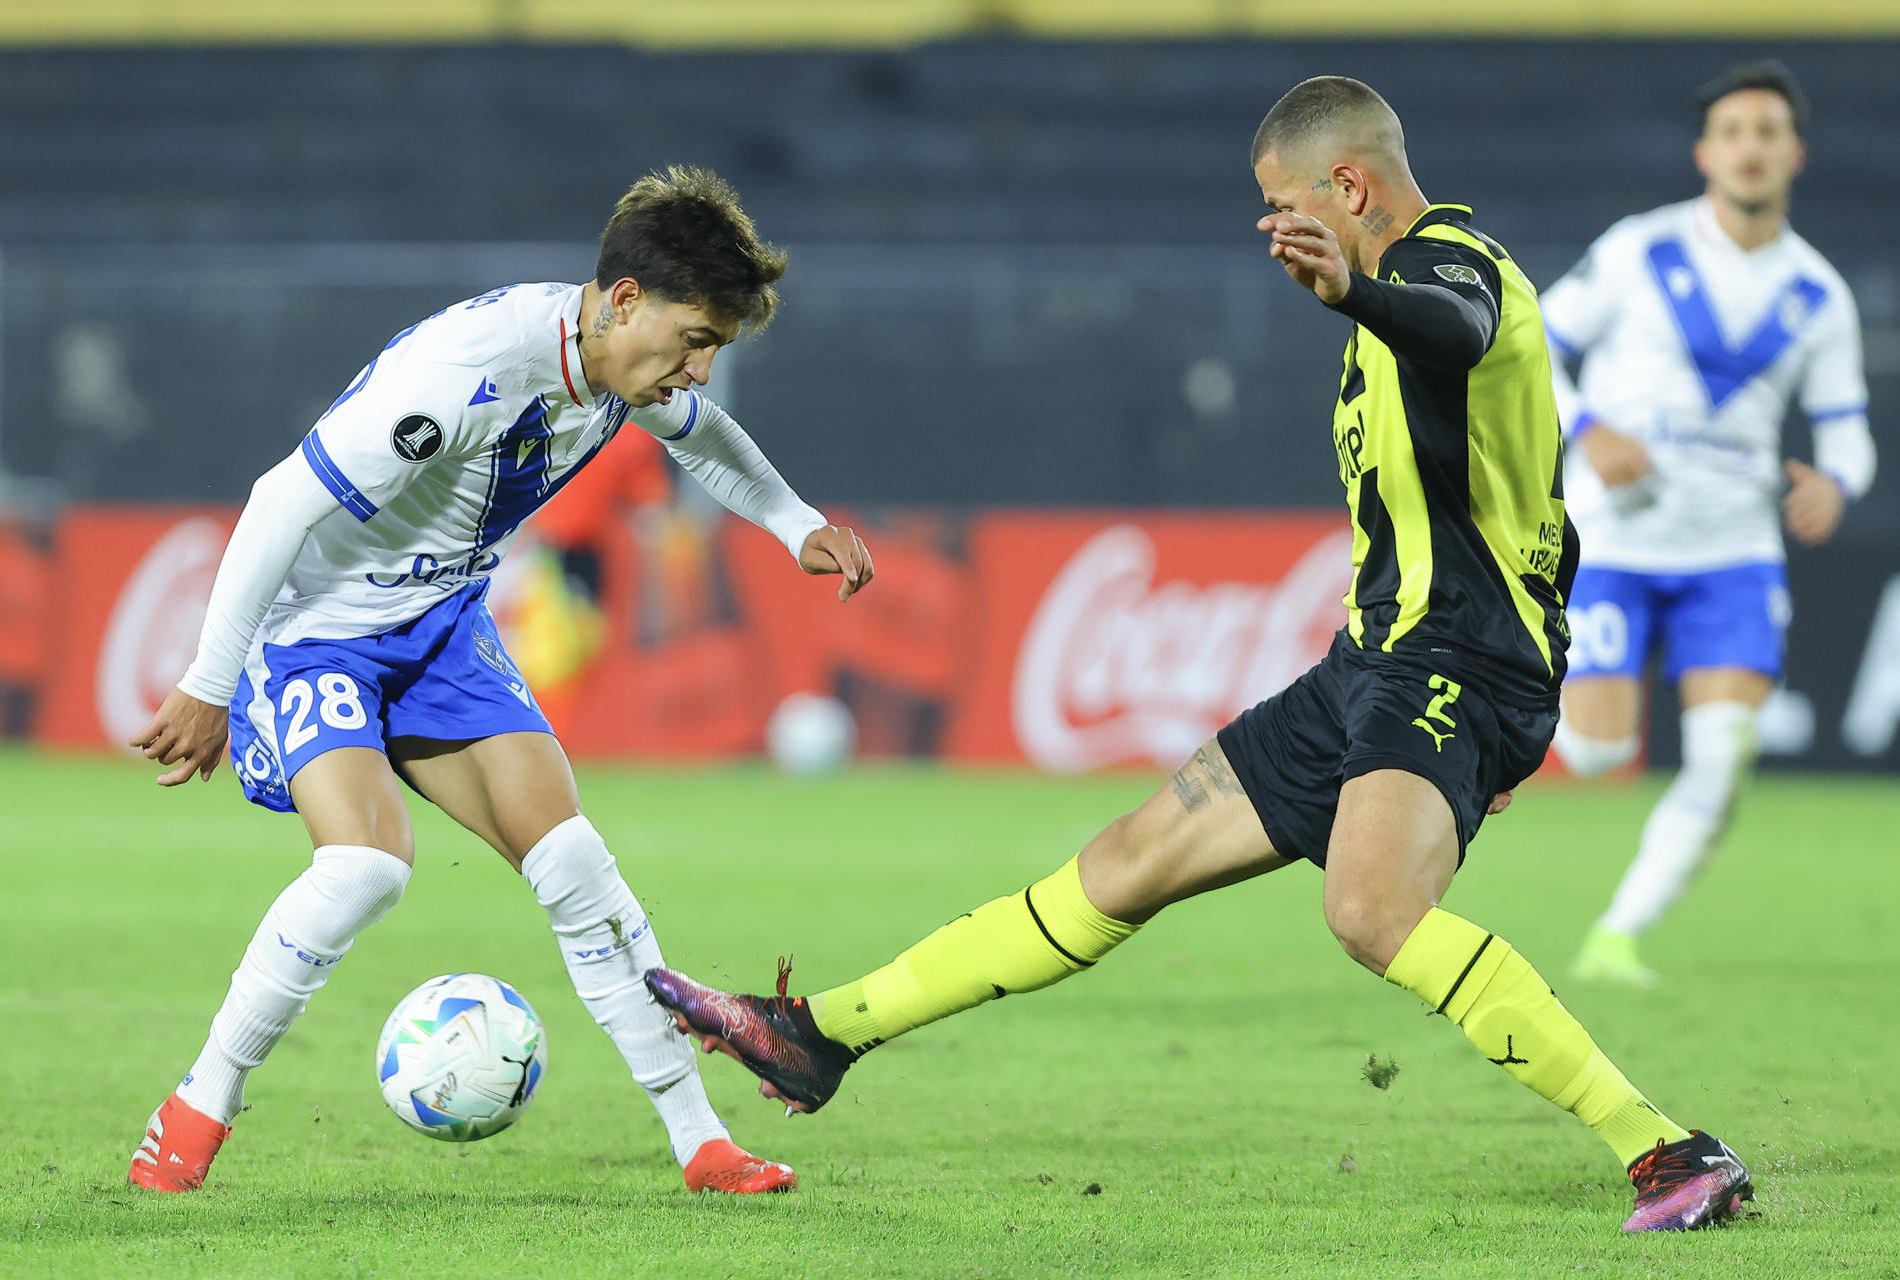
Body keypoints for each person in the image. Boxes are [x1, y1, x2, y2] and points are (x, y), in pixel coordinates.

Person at [645, 77, 1750, 1234]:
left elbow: (1462, 329)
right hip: (1377, 665)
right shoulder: (1381, 315)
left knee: (1371, 912)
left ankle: (1672, 1150)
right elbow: (1541, 512)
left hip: (1452, 662)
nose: (1276, 226)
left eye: (1285, 203)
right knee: (1126, 860)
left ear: (1351, 186)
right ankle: (820, 1035)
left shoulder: (1456, 264)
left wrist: (1359, 291)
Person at [126, 166, 875, 1196]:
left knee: (575, 864)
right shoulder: (467, 370)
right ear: (623, 301)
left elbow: (708, 442)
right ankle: (199, 1104)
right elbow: (277, 501)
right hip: (318, 634)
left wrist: (799, 527)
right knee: (368, 865)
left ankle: (703, 1144)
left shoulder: (619, 369)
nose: (698, 370)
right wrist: (210, 682)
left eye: (713, 349)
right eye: (695, 339)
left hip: (439, 626)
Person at [1542, 62, 1876, 987]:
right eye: (1735, 131)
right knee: (1602, 751)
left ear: (1793, 153)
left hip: (1734, 552)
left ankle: (1617, 937)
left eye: (1769, 131)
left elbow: (1850, 436)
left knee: (1724, 756)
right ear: (1706, 152)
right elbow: (1534, 340)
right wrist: (1587, 427)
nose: (1752, 147)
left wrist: (1838, 484)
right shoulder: (1637, 251)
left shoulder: (1819, 294)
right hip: (1614, 538)